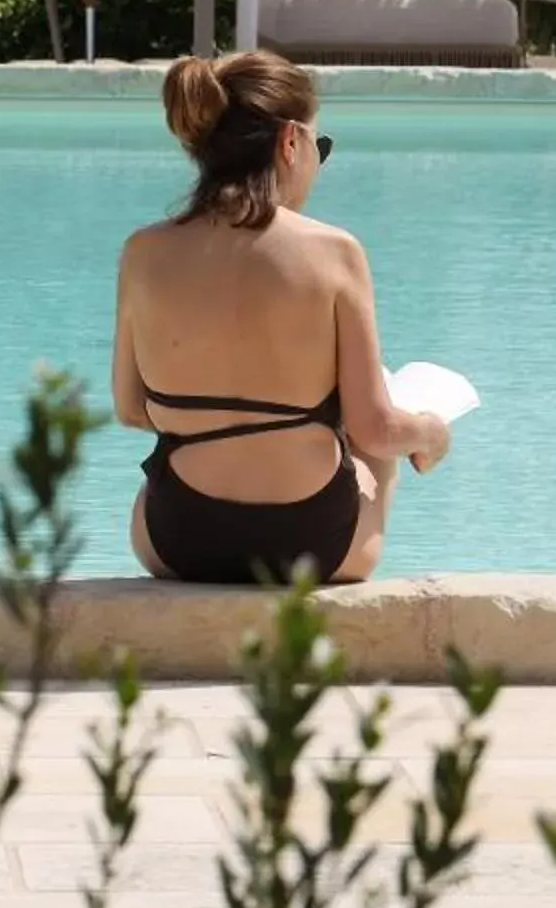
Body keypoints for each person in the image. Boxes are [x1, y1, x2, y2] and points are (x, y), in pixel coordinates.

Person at [114, 51, 449, 586]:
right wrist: (431, 434)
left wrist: (219, 418)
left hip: (176, 541)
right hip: (311, 547)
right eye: (322, 146)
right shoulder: (334, 251)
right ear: (291, 141)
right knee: (372, 434)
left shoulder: (144, 251)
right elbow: (377, 429)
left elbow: (132, 409)